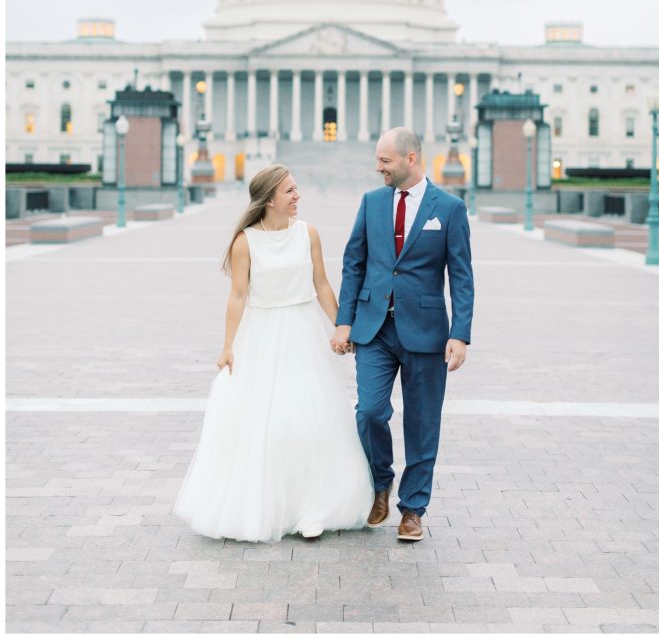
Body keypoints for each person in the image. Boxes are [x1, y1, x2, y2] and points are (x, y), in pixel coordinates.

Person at [174, 164, 374, 543]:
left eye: (296, 189)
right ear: (269, 200)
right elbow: (237, 296)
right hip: (261, 333)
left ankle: (313, 507)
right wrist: (228, 345)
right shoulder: (245, 242)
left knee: (310, 420)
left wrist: (342, 326)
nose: (297, 196)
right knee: (267, 423)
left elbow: (321, 284)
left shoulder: (308, 233)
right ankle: (270, 506)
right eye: (289, 191)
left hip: (302, 332)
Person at [330, 127, 475, 542]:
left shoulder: (448, 208)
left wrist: (460, 333)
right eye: (378, 160)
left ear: (411, 158)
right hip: (374, 327)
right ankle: (380, 483)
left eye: (385, 161)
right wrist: (345, 320)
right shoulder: (372, 202)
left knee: (422, 422)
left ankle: (413, 508)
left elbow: (461, 276)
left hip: (427, 331)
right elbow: (353, 262)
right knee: (370, 411)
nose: (378, 167)